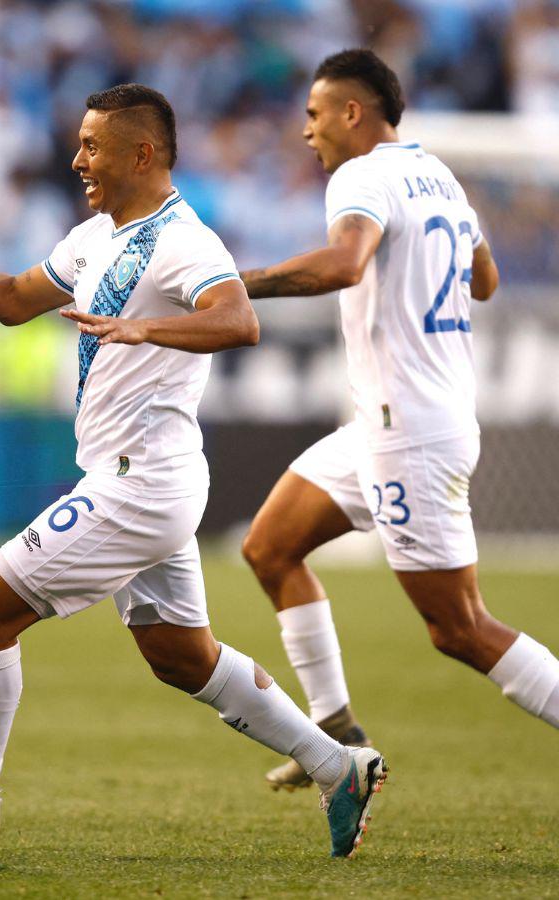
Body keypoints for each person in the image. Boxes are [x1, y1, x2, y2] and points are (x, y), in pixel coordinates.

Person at [0, 85, 386, 860]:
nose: (78, 159)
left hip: (139, 484)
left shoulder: (185, 242)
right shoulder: (94, 237)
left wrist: (148, 325)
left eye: (91, 146)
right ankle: (335, 764)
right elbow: (14, 300)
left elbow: (237, 318)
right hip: (139, 479)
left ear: (140, 154)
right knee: (182, 657)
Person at [238, 49, 559, 791]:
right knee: (270, 548)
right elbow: (486, 279)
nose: (307, 131)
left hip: (409, 431)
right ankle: (339, 738)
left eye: (315, 115)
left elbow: (346, 265)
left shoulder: (362, 175)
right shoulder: (438, 174)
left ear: (353, 113)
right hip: (393, 423)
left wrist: (235, 284)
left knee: (461, 629)